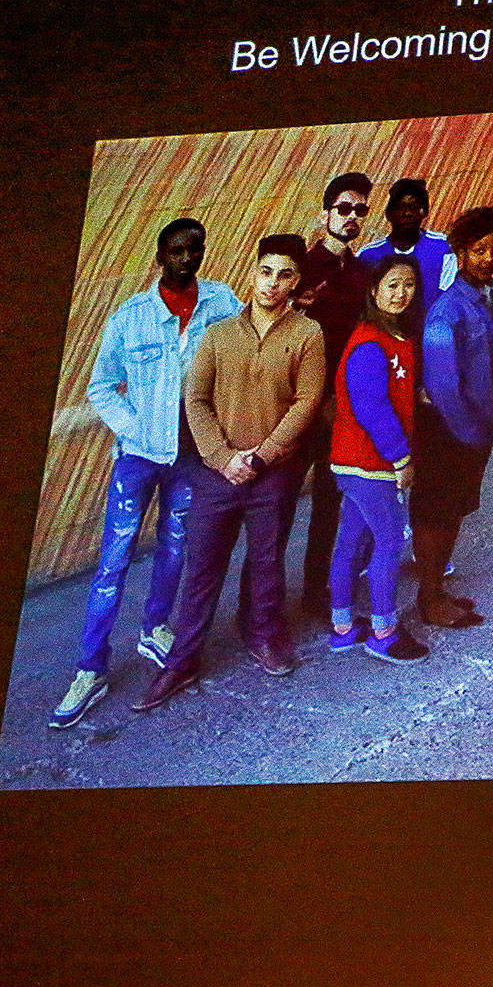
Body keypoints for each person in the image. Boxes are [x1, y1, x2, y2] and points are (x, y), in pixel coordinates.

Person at [50, 218, 240, 728]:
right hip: (137, 457)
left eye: (194, 250)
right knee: (113, 561)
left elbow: (244, 355)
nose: (186, 259)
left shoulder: (222, 305)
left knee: (175, 544)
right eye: (176, 251)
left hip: (189, 455)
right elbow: (100, 387)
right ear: (160, 257)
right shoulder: (130, 318)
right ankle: (90, 669)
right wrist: (134, 431)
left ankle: (155, 627)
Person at [133, 234, 325, 711]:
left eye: (285, 276)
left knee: (265, 562)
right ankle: (182, 661)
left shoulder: (308, 334)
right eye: (266, 272)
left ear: (296, 282)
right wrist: (222, 458)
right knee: (202, 567)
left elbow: (306, 402)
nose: (272, 284)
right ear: (253, 272)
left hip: (272, 473)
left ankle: (264, 635)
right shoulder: (219, 333)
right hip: (216, 473)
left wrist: (263, 456)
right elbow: (195, 400)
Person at [325, 257, 430, 664]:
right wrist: (401, 458)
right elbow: (372, 409)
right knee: (387, 541)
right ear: (373, 290)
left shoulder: (394, 338)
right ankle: (383, 632)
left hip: (359, 463)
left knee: (351, 539)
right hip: (369, 463)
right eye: (391, 285)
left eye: (408, 285)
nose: (401, 293)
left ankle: (342, 627)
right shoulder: (370, 344)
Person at [414, 206, 493, 628]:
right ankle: (429, 598)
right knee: (436, 512)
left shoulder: (492, 296)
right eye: (478, 250)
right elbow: (443, 389)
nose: (488, 258)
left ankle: (437, 589)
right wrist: (474, 430)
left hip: (475, 429)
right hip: (449, 431)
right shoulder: (447, 311)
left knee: (453, 511)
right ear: (459, 251)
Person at [292, 171, 374, 619]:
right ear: (325, 213)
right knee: (279, 508)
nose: (351, 217)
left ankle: (315, 593)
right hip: (298, 407)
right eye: (344, 208)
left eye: (360, 210)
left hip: (341, 407)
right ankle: (258, 611)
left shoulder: (361, 273)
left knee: (329, 500)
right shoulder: (301, 267)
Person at [358, 176, 458, 321]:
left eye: (413, 207)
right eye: (400, 207)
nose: (407, 213)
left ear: (424, 212)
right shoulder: (367, 254)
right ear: (389, 214)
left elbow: (447, 299)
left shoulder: (443, 248)